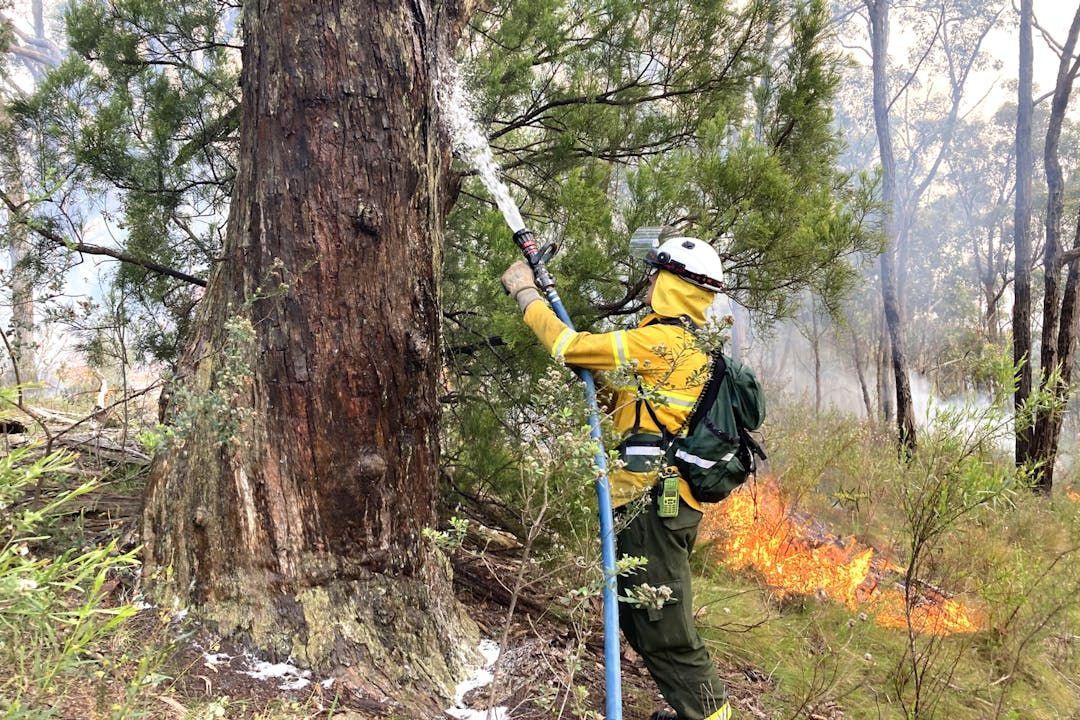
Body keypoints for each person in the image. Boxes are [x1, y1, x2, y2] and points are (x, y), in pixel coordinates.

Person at [501, 235, 733, 720]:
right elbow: (653, 415)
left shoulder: (662, 340)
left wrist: (527, 294)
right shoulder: (688, 343)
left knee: (665, 628)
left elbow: (569, 346)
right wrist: (603, 385)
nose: (648, 283)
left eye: (656, 275)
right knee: (641, 615)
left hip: (656, 504)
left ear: (673, 284)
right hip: (659, 504)